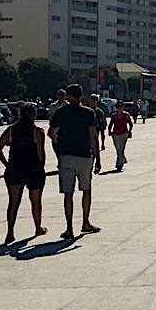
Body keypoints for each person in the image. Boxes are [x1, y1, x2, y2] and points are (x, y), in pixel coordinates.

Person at [48, 84, 102, 239]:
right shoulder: (88, 113)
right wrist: (97, 157)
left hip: (66, 156)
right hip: (84, 155)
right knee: (86, 190)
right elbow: (93, 135)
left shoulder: (61, 112)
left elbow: (51, 132)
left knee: (68, 193)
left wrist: (60, 144)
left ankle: (69, 228)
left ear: (69, 96)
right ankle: (85, 222)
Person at [0, 104, 47, 243]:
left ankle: (10, 232)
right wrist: (41, 168)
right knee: (36, 202)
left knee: (13, 202)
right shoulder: (37, 132)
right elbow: (41, 155)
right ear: (34, 116)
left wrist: (6, 164)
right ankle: (38, 227)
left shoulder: (11, 130)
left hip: (15, 170)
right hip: (33, 170)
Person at [109, 101, 133, 171]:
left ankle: (119, 164)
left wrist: (129, 131)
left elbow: (130, 124)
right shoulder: (114, 116)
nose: (119, 108)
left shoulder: (126, 115)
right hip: (115, 134)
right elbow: (111, 124)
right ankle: (122, 158)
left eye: (121, 106)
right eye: (118, 107)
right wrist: (109, 131)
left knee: (121, 149)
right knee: (118, 149)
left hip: (124, 134)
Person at [88, 94, 108, 159]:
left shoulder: (99, 111)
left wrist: (100, 127)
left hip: (95, 130)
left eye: (94, 100)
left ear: (97, 101)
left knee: (94, 145)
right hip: (85, 130)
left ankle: (95, 157)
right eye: (91, 100)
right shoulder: (85, 110)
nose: (92, 102)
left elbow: (102, 120)